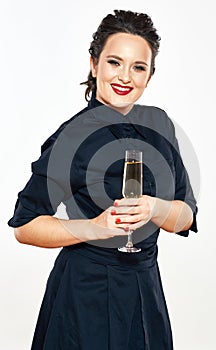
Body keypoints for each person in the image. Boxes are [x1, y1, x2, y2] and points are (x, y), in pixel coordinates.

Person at [8, 9, 198, 350]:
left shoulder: (160, 127)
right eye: (114, 62)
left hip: (145, 292)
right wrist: (94, 228)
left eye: (138, 67)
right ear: (94, 64)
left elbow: (185, 217)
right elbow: (25, 226)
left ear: (149, 76)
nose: (125, 76)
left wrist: (155, 207)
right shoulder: (71, 137)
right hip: (85, 294)